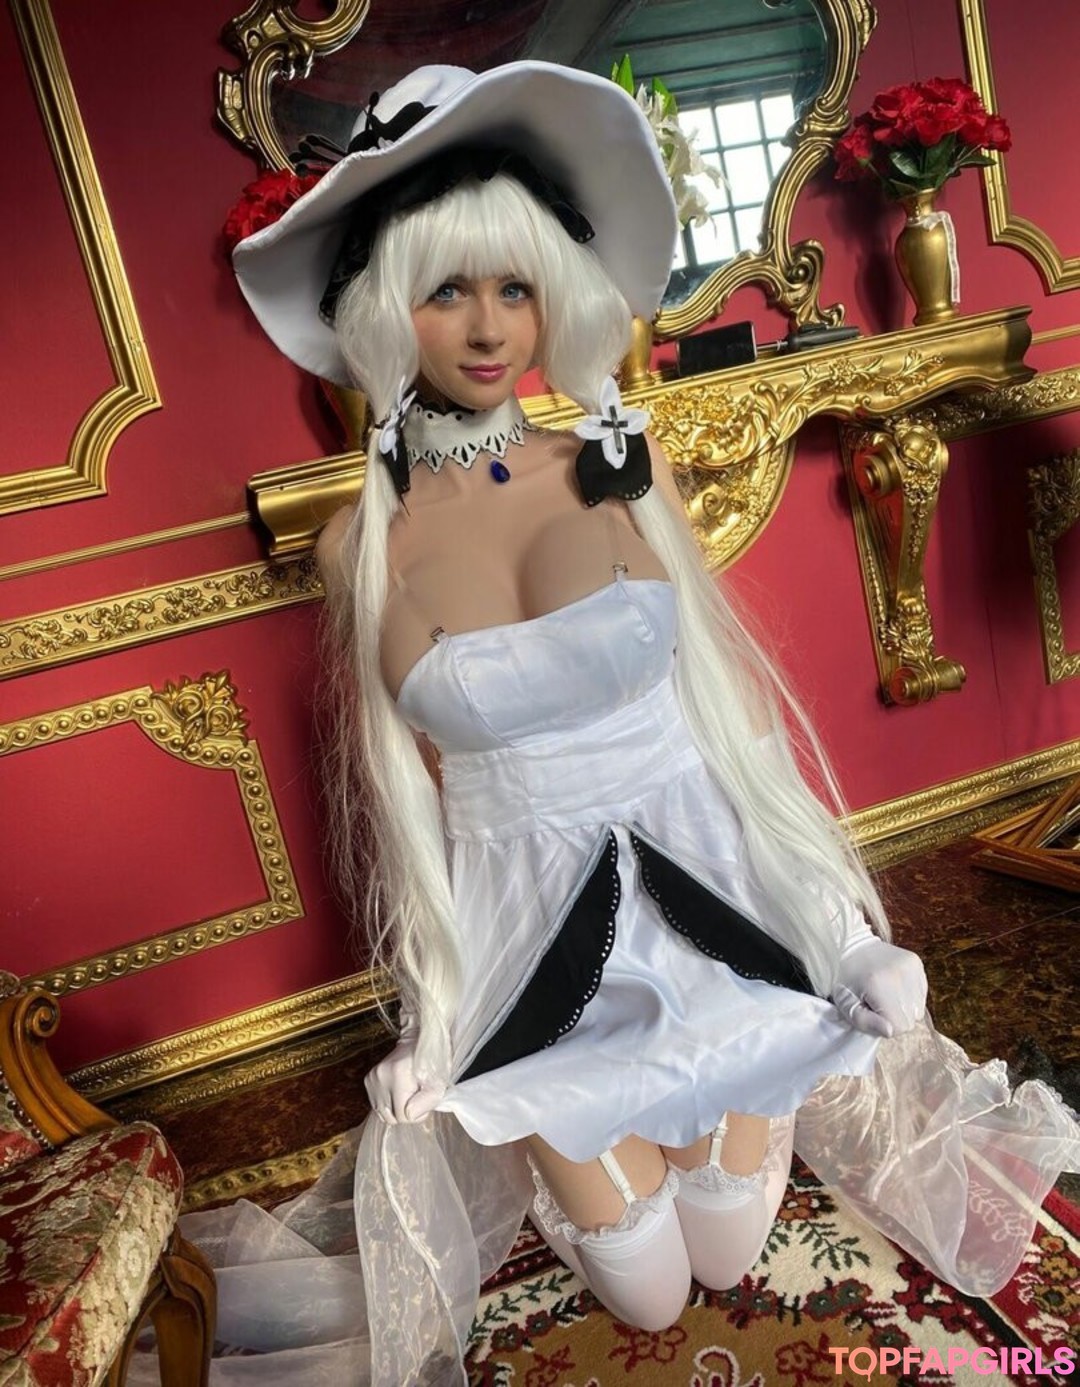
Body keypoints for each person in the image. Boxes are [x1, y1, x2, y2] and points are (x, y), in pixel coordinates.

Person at [211, 60, 1079, 1387]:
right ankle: (602, 1141)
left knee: (723, 1252)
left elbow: (728, 728)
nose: (488, 328)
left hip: (709, 893)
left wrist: (842, 936)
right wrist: (436, 1021)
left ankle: (711, 1096)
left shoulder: (626, 468)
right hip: (529, 940)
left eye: (515, 286)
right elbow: (413, 813)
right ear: (387, 311)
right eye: (448, 291)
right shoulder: (357, 549)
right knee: (650, 1285)